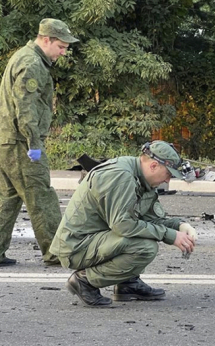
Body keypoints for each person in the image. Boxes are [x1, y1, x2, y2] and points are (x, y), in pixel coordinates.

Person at [50, 141, 199, 307]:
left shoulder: (142, 178)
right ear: (154, 165)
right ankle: (84, 281)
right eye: (168, 174)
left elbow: (149, 219)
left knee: (144, 235)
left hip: (95, 239)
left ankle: (128, 283)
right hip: (76, 246)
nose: (168, 180)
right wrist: (169, 236)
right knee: (145, 247)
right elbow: (123, 225)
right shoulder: (122, 177)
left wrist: (180, 226)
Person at [0, 18, 79, 266]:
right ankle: (57, 252)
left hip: (8, 141)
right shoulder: (32, 63)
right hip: (22, 143)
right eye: (61, 46)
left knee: (8, 198)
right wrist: (33, 143)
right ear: (47, 40)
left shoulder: (23, 56)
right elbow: (26, 107)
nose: (63, 52)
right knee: (41, 197)